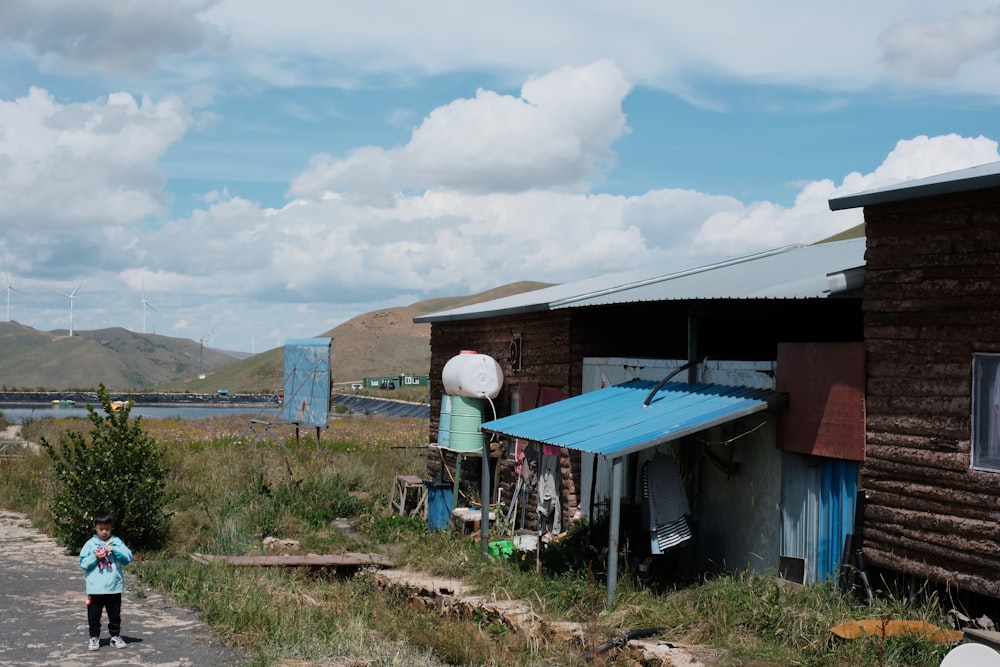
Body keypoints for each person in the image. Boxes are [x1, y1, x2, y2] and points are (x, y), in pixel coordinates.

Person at [78, 510, 133, 651]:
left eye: (107, 529)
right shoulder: (90, 544)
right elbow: (83, 563)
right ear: (95, 527)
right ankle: (94, 637)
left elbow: (127, 558)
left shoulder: (116, 542)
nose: (104, 532)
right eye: (101, 529)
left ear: (111, 528)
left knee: (115, 615)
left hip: (114, 587)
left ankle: (115, 636)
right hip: (95, 588)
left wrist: (114, 550)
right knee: (94, 616)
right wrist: (95, 558)